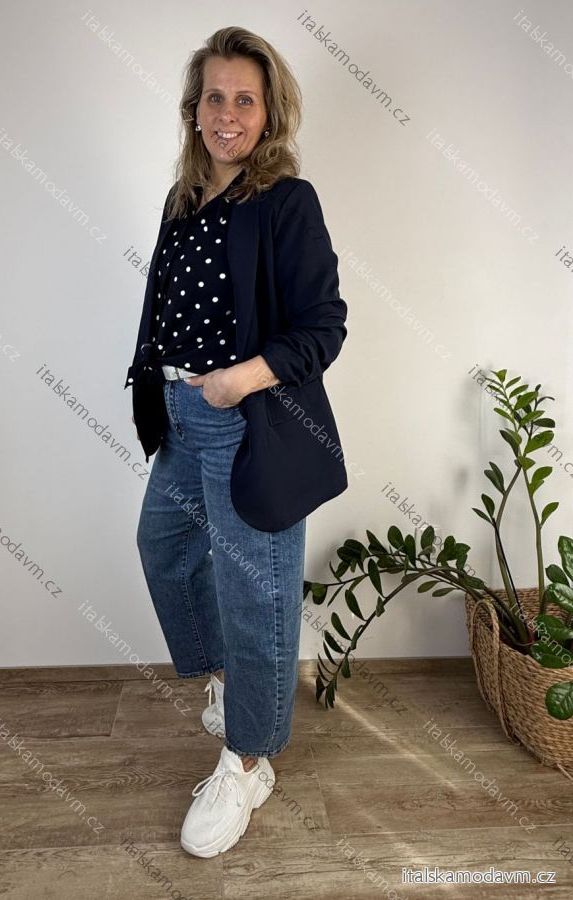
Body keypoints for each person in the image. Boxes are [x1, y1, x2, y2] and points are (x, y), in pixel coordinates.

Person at [124, 25, 348, 858]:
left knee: (257, 598)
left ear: (268, 113)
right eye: (213, 97)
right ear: (193, 110)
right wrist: (160, 384)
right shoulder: (181, 202)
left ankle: (248, 762)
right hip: (181, 414)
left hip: (248, 425)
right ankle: (229, 684)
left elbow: (323, 327)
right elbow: (161, 306)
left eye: (243, 99)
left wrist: (239, 379)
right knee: (164, 549)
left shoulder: (286, 202)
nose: (227, 114)